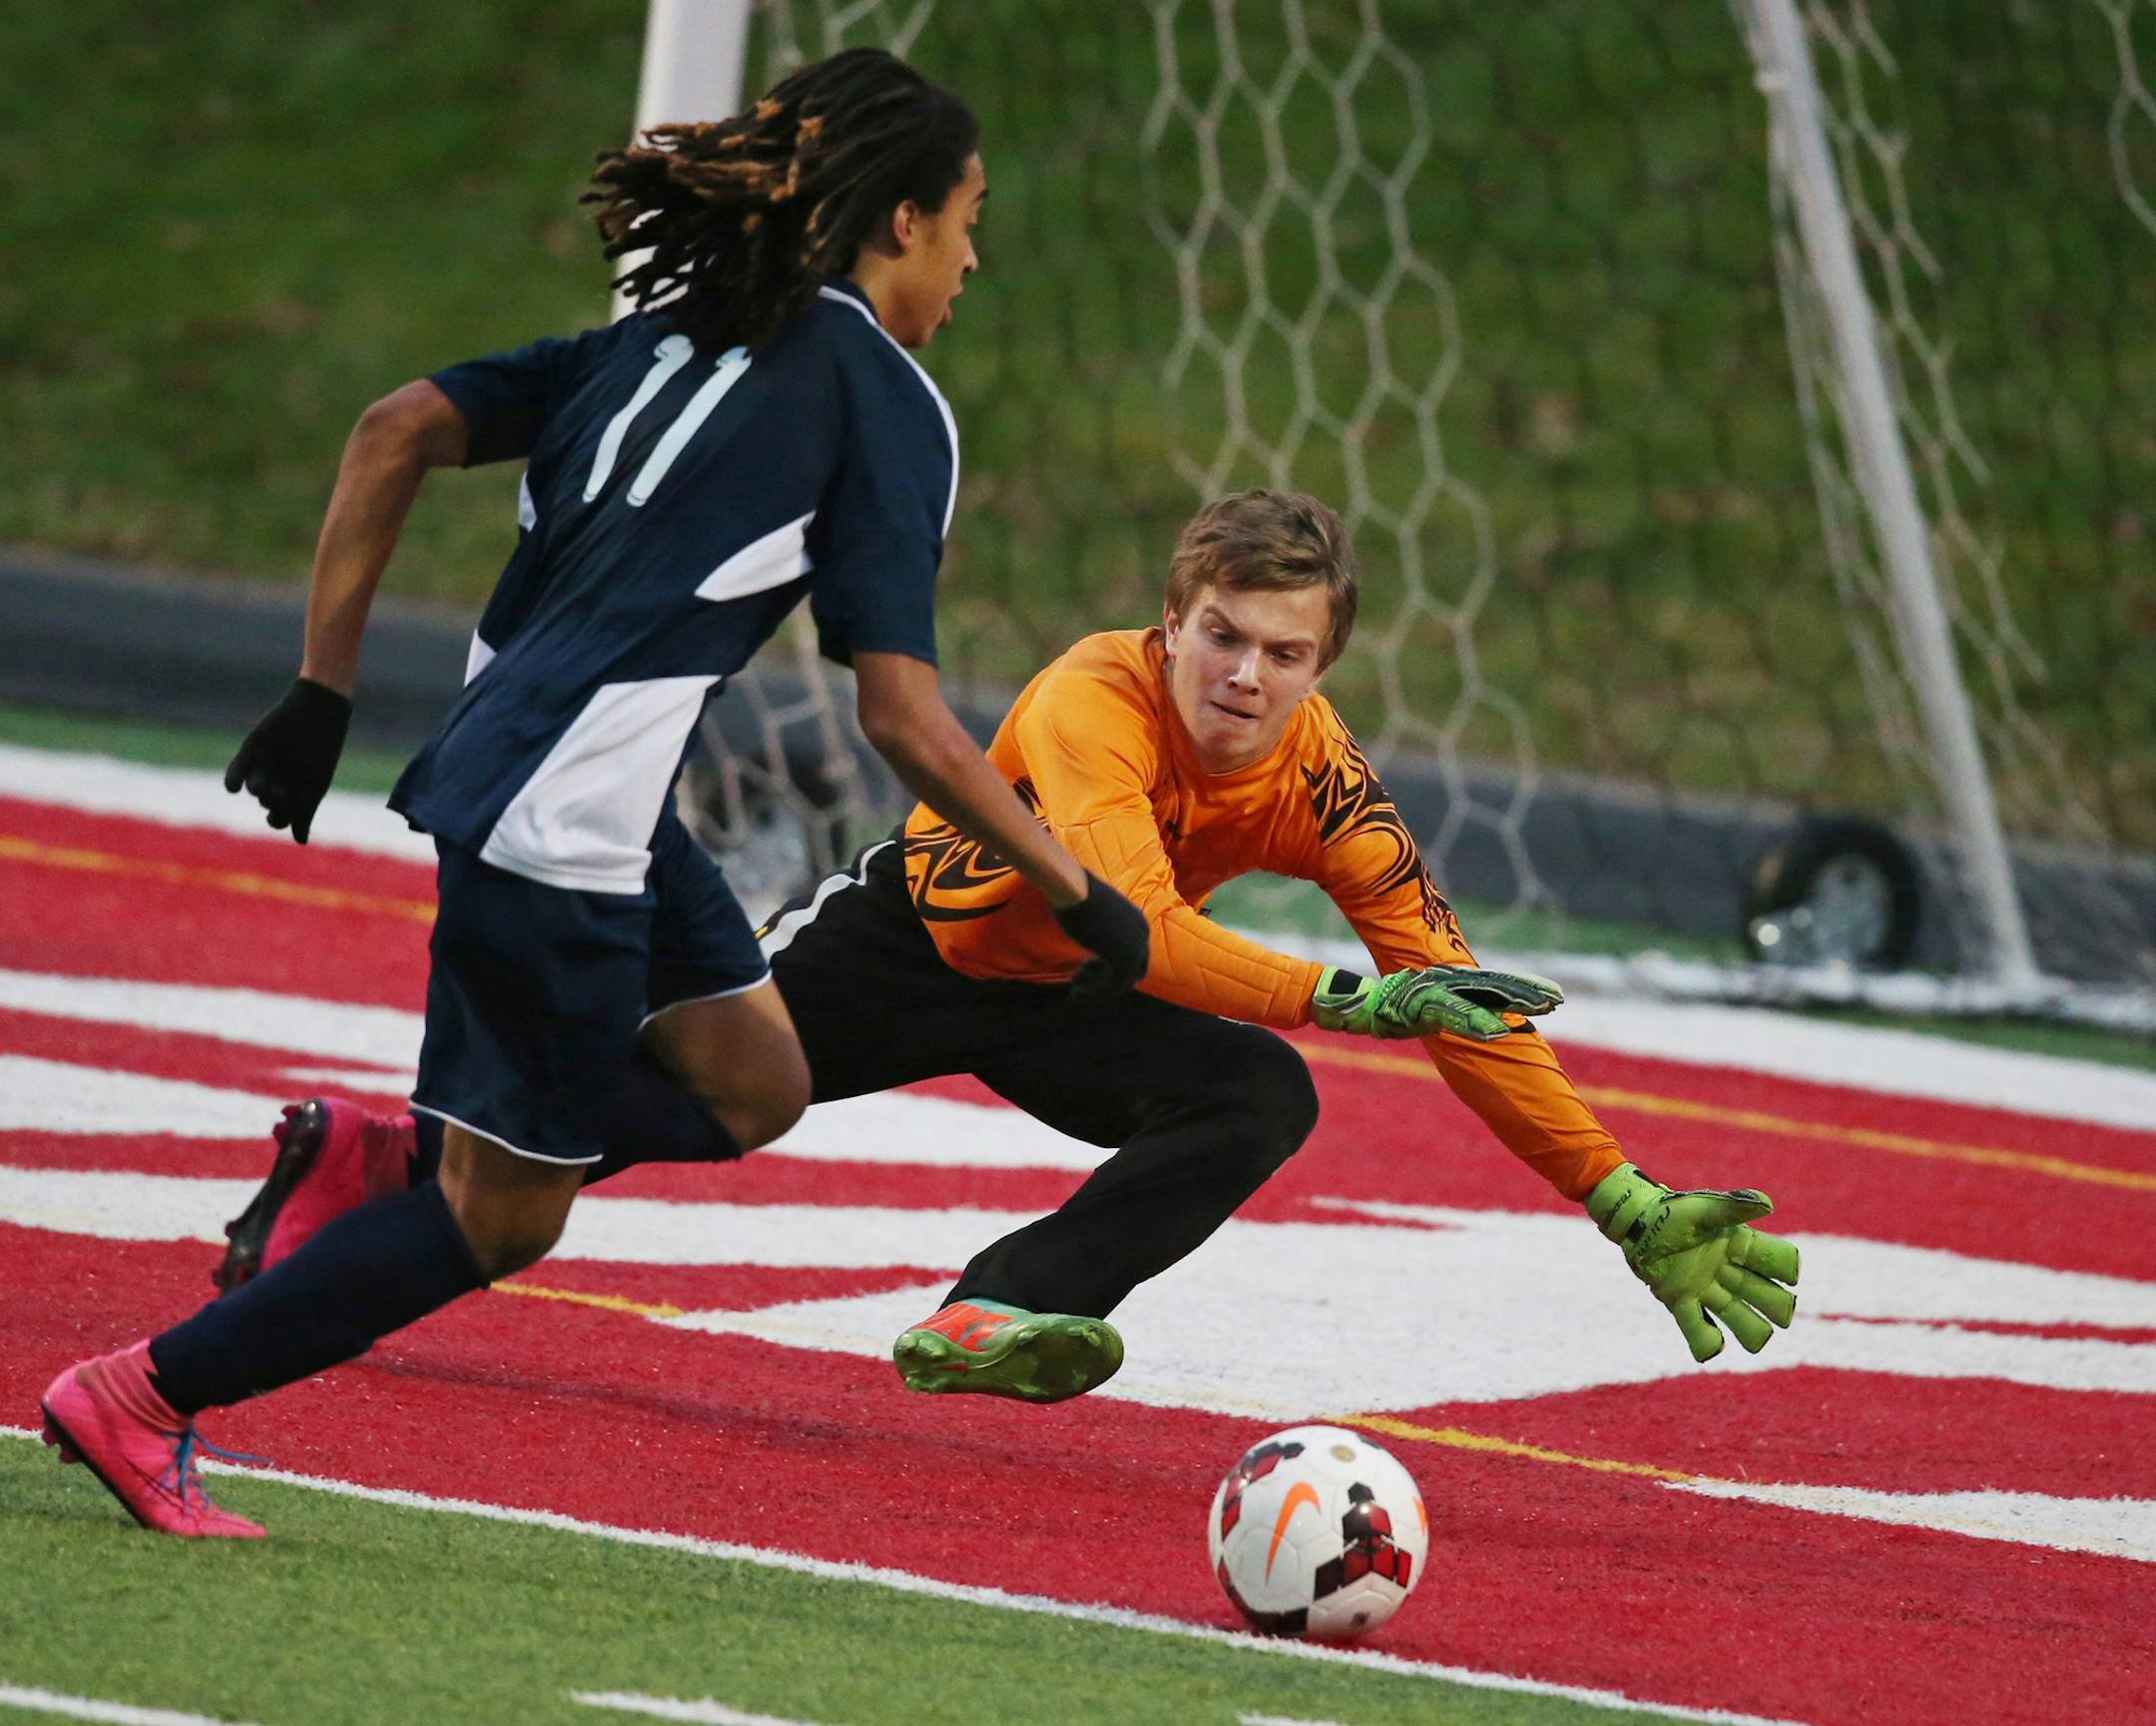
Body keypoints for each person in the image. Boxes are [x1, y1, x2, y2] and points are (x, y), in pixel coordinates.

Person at [38, 46, 1151, 1540]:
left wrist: (323, 690)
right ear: (896, 223)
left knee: (762, 1078)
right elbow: (900, 712)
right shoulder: (888, 402)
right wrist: (1079, 889)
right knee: (504, 1218)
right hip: (564, 824)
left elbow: (392, 427)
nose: (973, 254)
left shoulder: (660, 332)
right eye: (968, 216)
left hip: (549, 786)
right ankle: (145, 1394)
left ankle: (388, 1152)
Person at [208, 488, 1802, 1417]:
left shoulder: (1325, 777)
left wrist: (1616, 1193)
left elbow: (1460, 1001)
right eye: (1225, 636)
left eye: (1287, 653)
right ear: (1175, 615)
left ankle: (989, 1306)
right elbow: (1142, 922)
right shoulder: (1088, 699)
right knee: (673, 1117)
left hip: (1075, 996)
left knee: (1256, 1100)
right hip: (915, 942)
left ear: (1326, 661)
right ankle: (368, 1157)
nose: (1247, 676)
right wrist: (1337, 994)